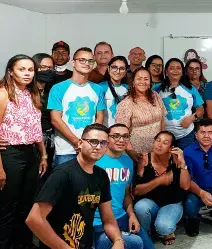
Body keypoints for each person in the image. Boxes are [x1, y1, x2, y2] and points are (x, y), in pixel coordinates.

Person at [26, 124, 125, 249]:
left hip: (86, 243)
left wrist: (118, 240)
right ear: (80, 143)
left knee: (133, 242)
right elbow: (34, 219)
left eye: (103, 143)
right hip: (58, 245)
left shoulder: (101, 175)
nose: (98, 147)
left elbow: (108, 218)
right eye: (93, 141)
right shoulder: (63, 174)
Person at [0, 55, 47, 249]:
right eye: (22, 69)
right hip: (10, 154)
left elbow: (36, 128)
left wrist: (43, 154)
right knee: (8, 207)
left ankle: (24, 244)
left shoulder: (32, 93)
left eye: (30, 69)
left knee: (26, 204)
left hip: (31, 154)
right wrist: (0, 168)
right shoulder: (3, 94)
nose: (27, 73)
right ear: (11, 71)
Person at [93, 124, 154, 249]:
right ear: (107, 138)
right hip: (98, 221)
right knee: (135, 243)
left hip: (121, 216)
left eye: (125, 136)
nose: (121, 140)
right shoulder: (95, 160)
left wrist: (131, 214)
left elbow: (126, 194)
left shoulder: (128, 162)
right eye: (116, 136)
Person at [48, 47, 106, 167]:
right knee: (65, 184)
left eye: (90, 61)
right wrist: (76, 141)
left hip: (91, 149)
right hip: (66, 150)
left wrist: (90, 142)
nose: (87, 63)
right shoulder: (58, 88)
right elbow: (55, 119)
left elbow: (99, 117)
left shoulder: (98, 89)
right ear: (73, 63)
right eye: (82, 60)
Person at [134, 131, 190, 246]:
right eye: (158, 140)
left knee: (164, 227)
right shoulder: (145, 160)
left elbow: (185, 186)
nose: (159, 145)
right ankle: (146, 234)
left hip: (172, 203)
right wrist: (159, 180)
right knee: (140, 207)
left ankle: (163, 229)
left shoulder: (176, 160)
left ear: (171, 147)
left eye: (165, 143)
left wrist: (183, 164)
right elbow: (136, 190)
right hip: (151, 202)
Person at [115, 68, 167, 154]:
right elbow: (121, 132)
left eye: (146, 79)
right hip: (137, 152)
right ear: (133, 83)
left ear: (150, 83)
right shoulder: (126, 103)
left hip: (157, 150)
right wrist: (131, 152)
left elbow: (161, 119)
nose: (143, 82)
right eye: (139, 79)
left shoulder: (155, 95)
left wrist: (163, 140)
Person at [158, 58, 204, 149]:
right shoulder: (158, 89)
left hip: (186, 135)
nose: (175, 71)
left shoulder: (190, 88)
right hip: (165, 134)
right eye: (172, 68)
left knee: (186, 160)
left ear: (182, 72)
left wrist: (191, 118)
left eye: (178, 68)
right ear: (166, 72)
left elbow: (201, 109)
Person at [32, 53, 56, 169]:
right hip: (31, 145)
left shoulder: (51, 92)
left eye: (51, 68)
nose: (48, 70)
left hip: (50, 142)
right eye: (43, 67)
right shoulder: (26, 92)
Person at [99, 56, 129, 127]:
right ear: (109, 69)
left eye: (122, 68)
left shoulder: (129, 89)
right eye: (114, 67)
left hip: (124, 132)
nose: (118, 71)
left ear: (125, 71)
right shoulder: (100, 87)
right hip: (106, 131)